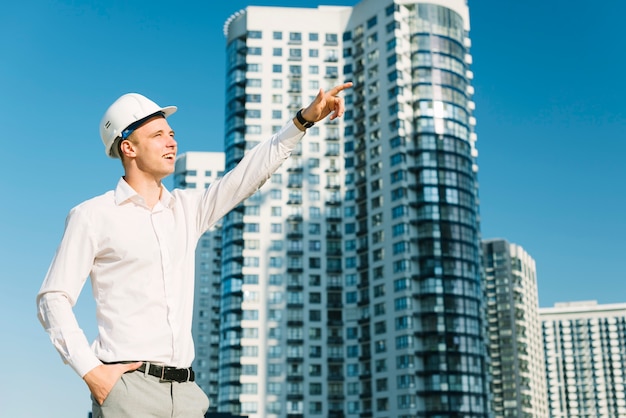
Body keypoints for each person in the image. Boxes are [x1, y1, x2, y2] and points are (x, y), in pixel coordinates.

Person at [37, 81, 352, 418]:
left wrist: (302, 121)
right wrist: (92, 373)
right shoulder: (93, 215)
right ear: (128, 147)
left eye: (171, 133)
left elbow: (248, 175)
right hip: (128, 391)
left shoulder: (187, 209)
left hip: (188, 396)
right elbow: (52, 297)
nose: (171, 141)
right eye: (158, 135)